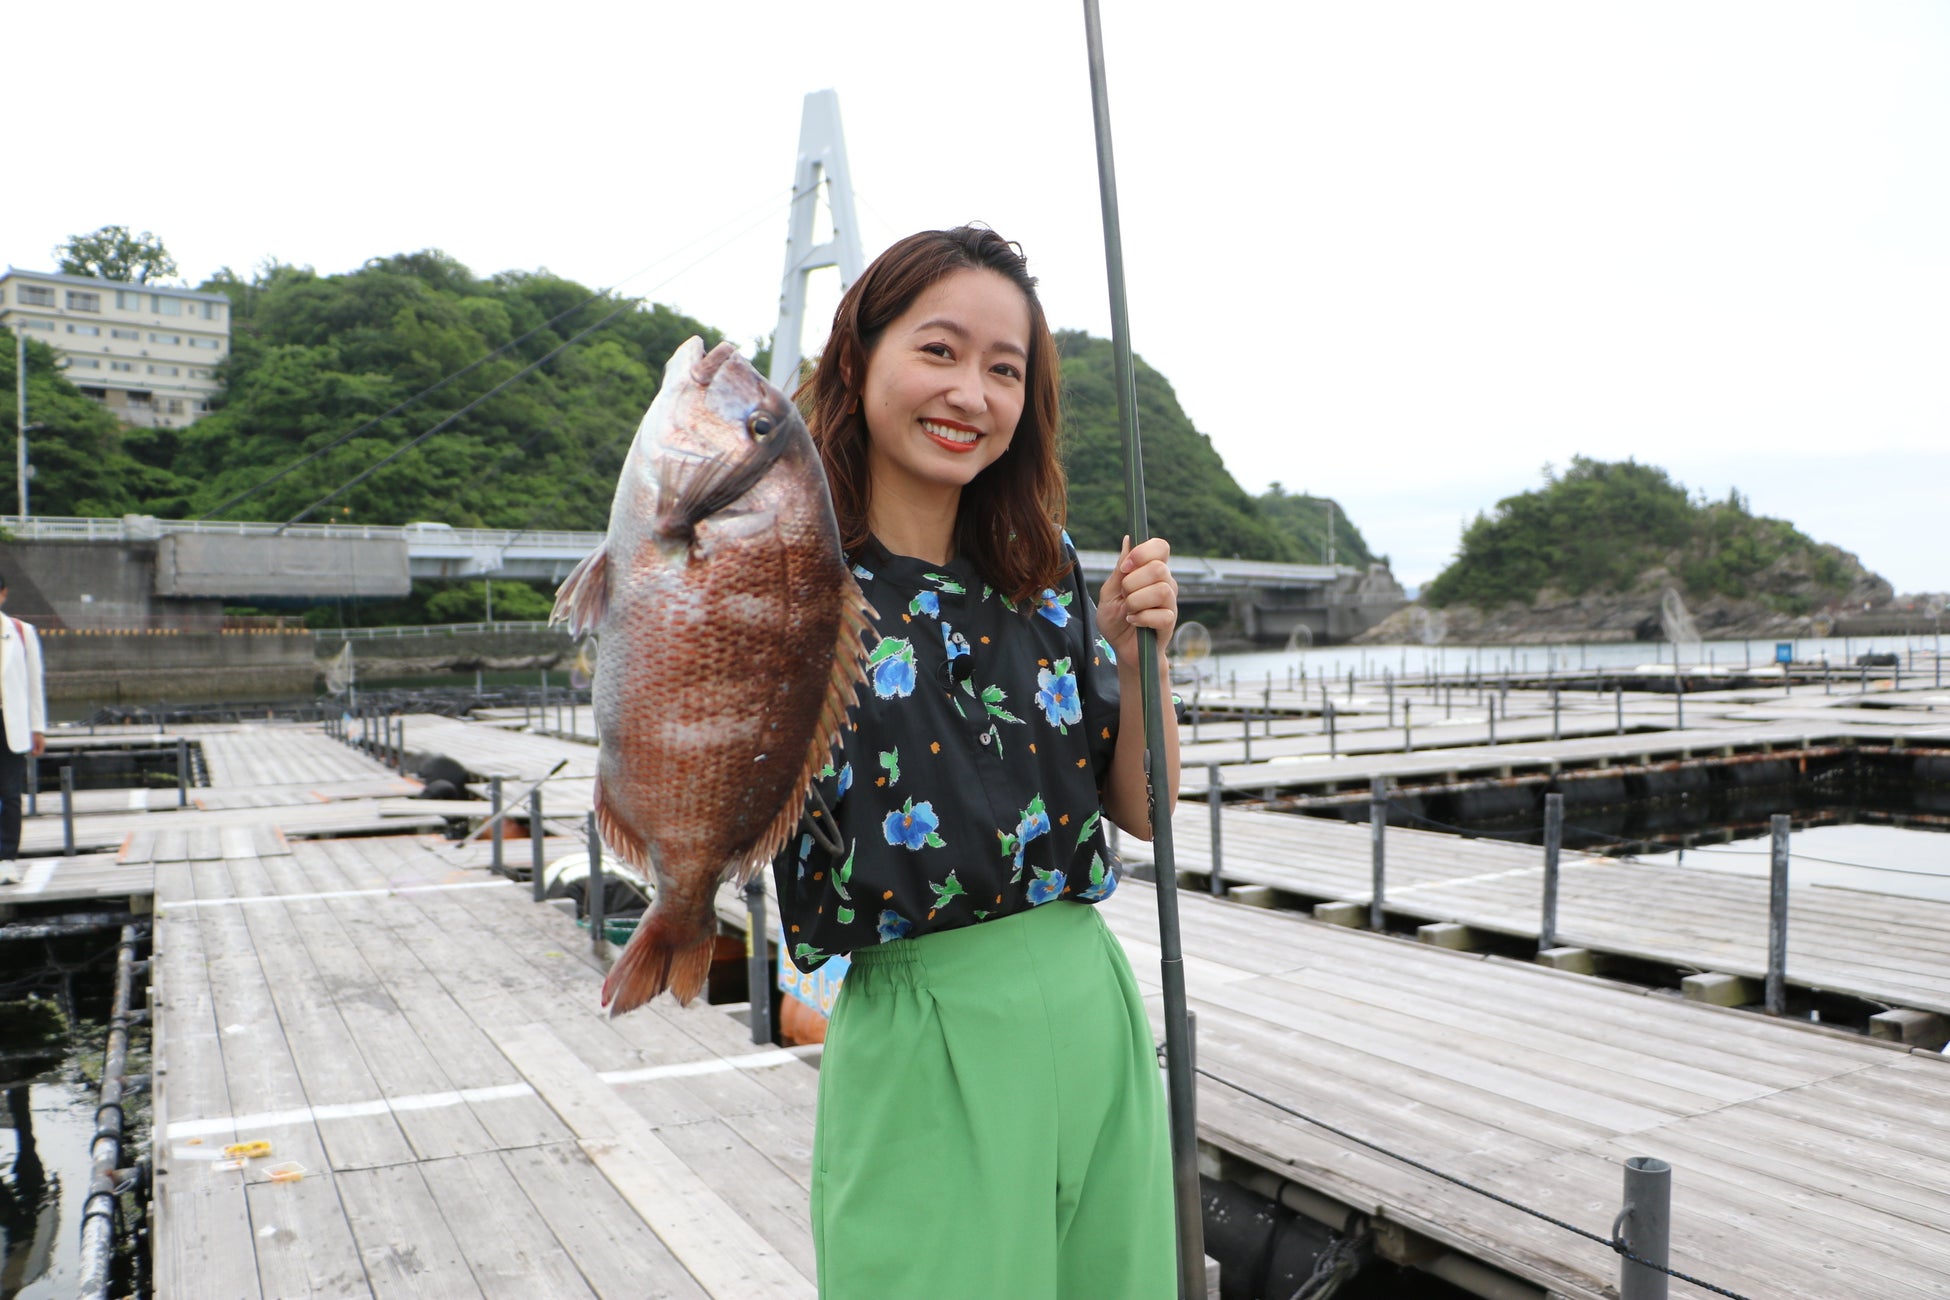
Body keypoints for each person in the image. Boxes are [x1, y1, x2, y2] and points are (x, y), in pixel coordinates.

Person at [773, 226, 1182, 1299]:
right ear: (859, 360)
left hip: (1090, 998)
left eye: (1007, 370)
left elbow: (1142, 809)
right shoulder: (792, 586)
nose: (973, 392)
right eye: (941, 351)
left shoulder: (1045, 577)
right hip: (922, 1023)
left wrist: (1141, 659)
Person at [0, 575, 47, 886]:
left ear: (3, 594)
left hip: (10, 723)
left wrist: (37, 728)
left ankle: (6, 859)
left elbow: (34, 683)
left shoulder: (20, 631)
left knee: (9, 793)